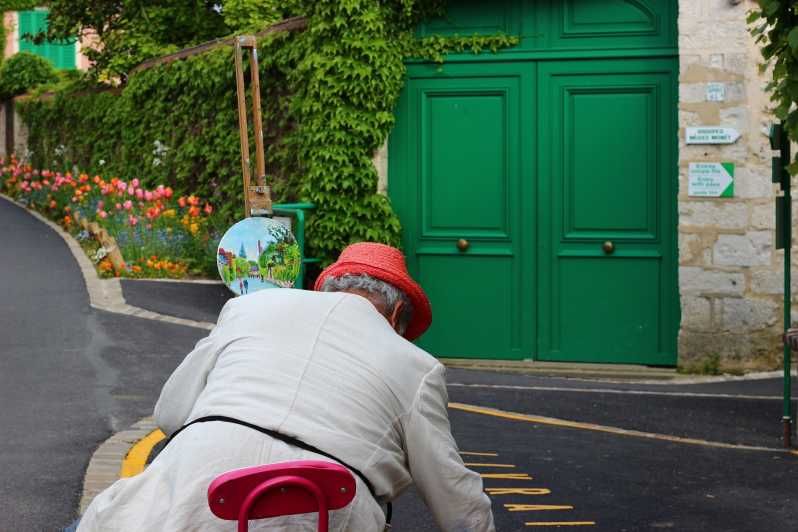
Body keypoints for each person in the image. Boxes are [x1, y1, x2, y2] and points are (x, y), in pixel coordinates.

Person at [77, 242, 495, 531]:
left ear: (329, 288)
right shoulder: (417, 365)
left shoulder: (250, 307)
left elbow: (170, 415)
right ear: (398, 312)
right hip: (328, 507)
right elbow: (456, 503)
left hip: (201, 491)